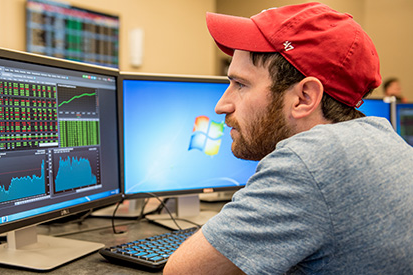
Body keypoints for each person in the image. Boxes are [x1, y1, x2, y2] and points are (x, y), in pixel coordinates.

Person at [164, 2, 413, 274]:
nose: (222, 105)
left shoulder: (309, 162)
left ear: (304, 97)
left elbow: (182, 271)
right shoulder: (383, 136)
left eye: (241, 84)